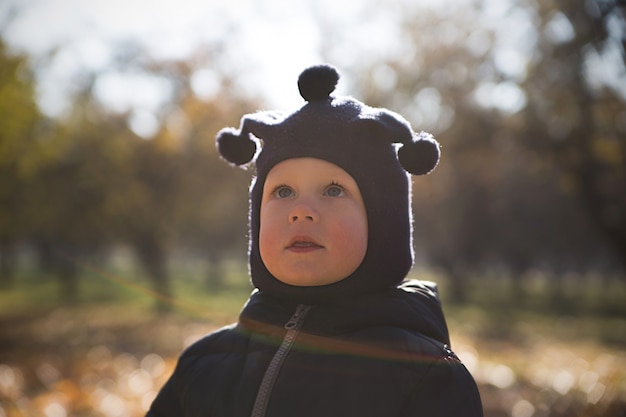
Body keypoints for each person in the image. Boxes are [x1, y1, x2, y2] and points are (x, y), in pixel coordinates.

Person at [146, 64, 483, 417]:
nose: (302, 211)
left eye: (334, 190)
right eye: (283, 191)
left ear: (384, 223)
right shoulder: (204, 365)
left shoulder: (425, 374)